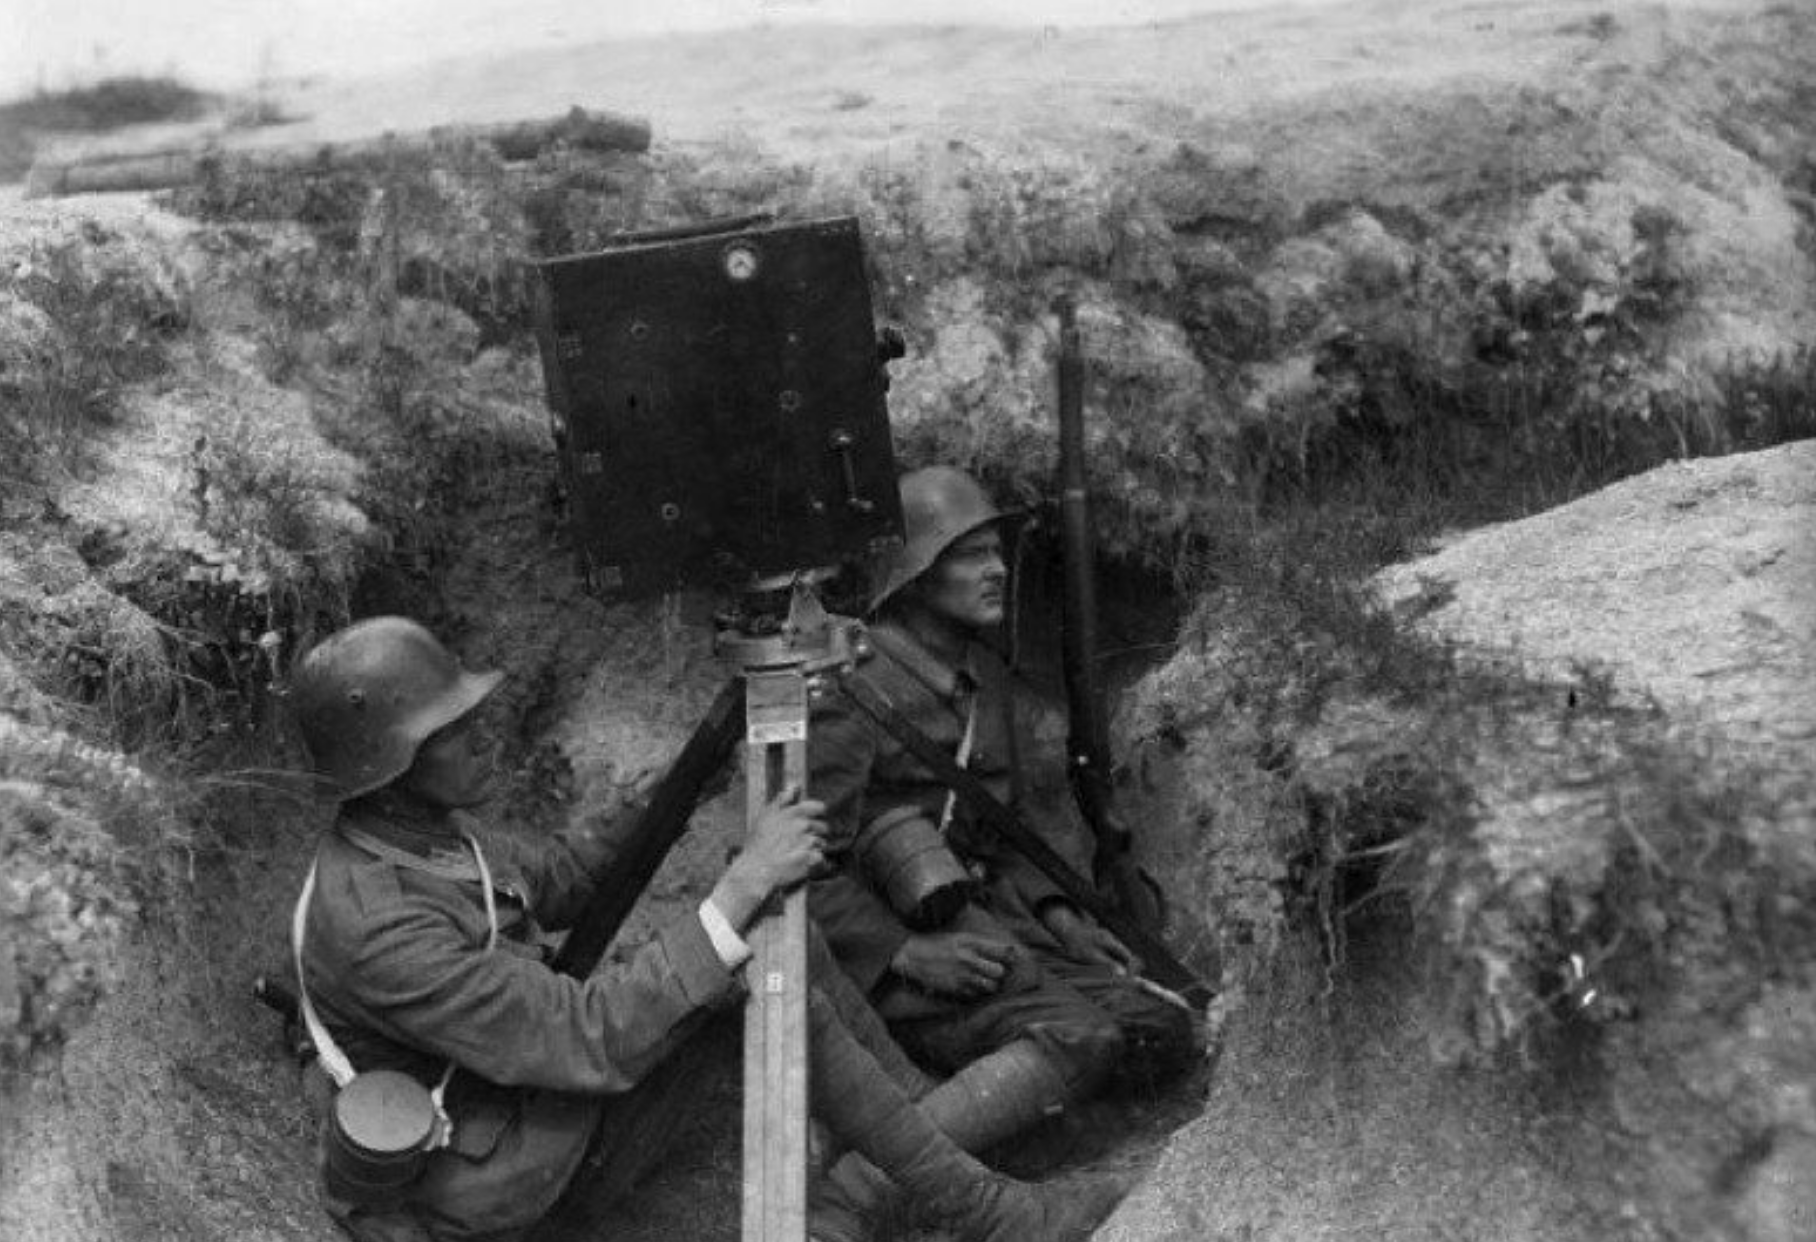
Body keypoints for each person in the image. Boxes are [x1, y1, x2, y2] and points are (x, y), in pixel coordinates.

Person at [286, 615, 1124, 1242]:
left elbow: (563, 879)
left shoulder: (423, 835)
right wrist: (742, 884)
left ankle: (932, 1151)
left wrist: (677, 784)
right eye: (448, 732)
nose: (479, 737)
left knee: (784, 946)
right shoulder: (377, 924)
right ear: (388, 767)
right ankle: (980, 1207)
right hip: (491, 1176)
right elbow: (585, 1037)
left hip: (520, 1091)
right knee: (757, 972)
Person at [806, 467, 1201, 1227]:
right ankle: (860, 1186)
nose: (997, 570)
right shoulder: (852, 686)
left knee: (1160, 1030)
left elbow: (998, 828)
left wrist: (1058, 915)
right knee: (1080, 1037)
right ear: (916, 572)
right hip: (894, 962)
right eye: (970, 554)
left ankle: (964, 1128)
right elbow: (795, 866)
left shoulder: (979, 675)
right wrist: (902, 953)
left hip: (985, 922)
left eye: (997, 552)